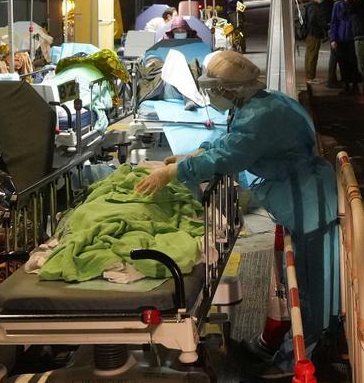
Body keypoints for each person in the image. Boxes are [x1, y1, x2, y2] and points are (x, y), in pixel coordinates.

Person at [135, 51, 339, 369]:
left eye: (214, 89)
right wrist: (191, 155)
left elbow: (230, 156)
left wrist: (174, 173)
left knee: (313, 287)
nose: (212, 95)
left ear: (230, 89)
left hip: (306, 201)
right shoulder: (262, 103)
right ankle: (303, 344)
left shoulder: (261, 116)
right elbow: (228, 142)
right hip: (303, 193)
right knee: (304, 281)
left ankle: (306, 358)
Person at [328, 0, 359, 94]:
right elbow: (334, 22)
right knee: (343, 63)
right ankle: (346, 85)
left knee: (353, 62)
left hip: (352, 38)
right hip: (341, 39)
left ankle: (354, 84)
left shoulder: (354, 3)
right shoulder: (338, 5)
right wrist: (333, 39)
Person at [302, 0, 331, 83]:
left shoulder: (312, 6)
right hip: (313, 33)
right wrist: (323, 24)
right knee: (312, 56)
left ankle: (310, 76)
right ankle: (310, 77)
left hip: (312, 33)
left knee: (311, 55)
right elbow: (312, 20)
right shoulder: (313, 7)